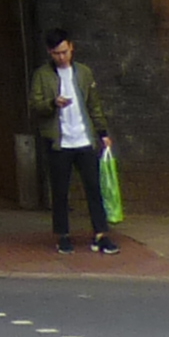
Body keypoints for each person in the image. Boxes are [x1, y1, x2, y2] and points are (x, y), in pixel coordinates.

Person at [28, 29, 118, 254]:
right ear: (50, 52)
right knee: (59, 190)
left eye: (65, 52)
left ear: (72, 48)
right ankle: (63, 235)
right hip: (59, 141)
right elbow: (35, 104)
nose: (62, 57)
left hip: (83, 139)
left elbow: (94, 105)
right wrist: (52, 103)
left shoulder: (84, 73)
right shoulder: (42, 75)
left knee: (93, 187)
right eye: (57, 53)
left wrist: (102, 132)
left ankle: (101, 234)